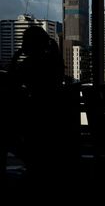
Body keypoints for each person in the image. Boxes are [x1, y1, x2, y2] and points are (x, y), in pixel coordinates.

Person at [7, 25, 65, 180]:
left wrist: (15, 56)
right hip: (51, 117)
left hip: (34, 118)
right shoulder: (52, 62)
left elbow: (11, 80)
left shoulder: (30, 64)